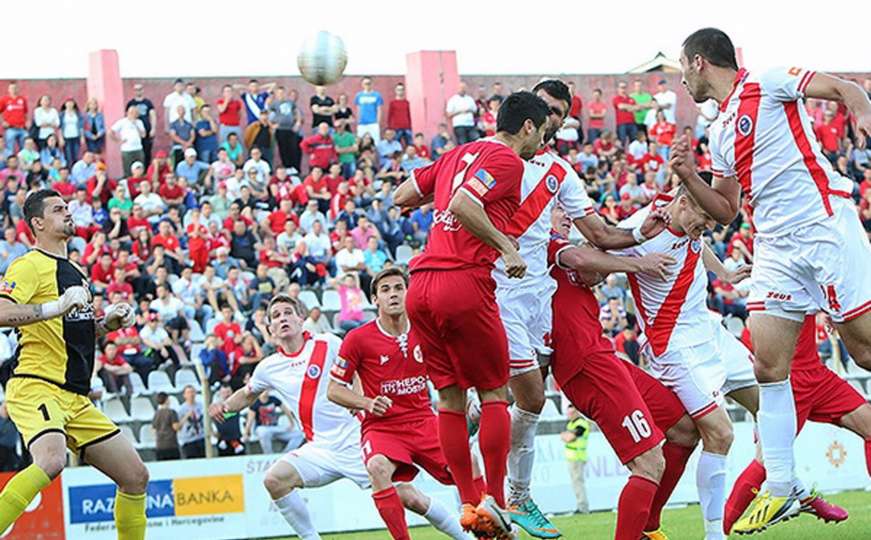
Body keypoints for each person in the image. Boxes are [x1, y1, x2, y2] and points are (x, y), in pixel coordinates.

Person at [671, 27, 871, 532]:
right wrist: (690, 177)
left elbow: (847, 89)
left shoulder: (771, 81)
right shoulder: (718, 133)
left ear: (699, 62)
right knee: (767, 366)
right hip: (776, 246)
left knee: (866, 351)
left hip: (823, 225)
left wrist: (861, 112)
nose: (682, 81)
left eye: (680, 68)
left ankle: (779, 483)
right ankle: (781, 486)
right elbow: (726, 209)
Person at [489, 80, 668, 539]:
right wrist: (638, 260)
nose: (551, 117)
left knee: (525, 397)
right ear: (526, 113)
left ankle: (506, 492)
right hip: (493, 288)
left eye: (559, 112)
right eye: (545, 107)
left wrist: (638, 235)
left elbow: (598, 241)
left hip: (536, 305)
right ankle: (503, 494)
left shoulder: (561, 174)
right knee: (519, 398)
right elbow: (582, 256)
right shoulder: (490, 157)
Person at [392, 91, 549, 538]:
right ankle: (494, 501)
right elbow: (464, 203)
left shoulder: (455, 153)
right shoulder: (508, 162)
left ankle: (467, 503)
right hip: (463, 281)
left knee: (450, 399)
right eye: (541, 133)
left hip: (419, 286)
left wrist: (433, 198)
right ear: (527, 128)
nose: (540, 143)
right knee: (496, 392)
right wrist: (506, 245)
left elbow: (403, 195)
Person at [210, 295, 452, 540]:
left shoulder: (327, 343)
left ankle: (466, 536)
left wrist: (359, 400)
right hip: (320, 449)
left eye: (287, 312)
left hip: (356, 439)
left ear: (301, 318)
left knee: (412, 499)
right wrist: (224, 407)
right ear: (270, 328)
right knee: (274, 480)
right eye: (276, 316)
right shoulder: (268, 367)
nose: (282, 318)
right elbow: (247, 394)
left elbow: (358, 369)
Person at [546, 206, 701, 540]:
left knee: (685, 429)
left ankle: (645, 527)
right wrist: (638, 262)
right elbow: (586, 263)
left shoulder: (567, 254)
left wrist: (641, 235)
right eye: (557, 210)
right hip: (586, 364)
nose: (567, 216)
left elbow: (591, 269)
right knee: (649, 462)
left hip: (604, 358)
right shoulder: (538, 246)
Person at [0, 189, 148, 538]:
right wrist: (54, 307)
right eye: (57, 209)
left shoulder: (76, 272)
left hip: (76, 398)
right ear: (37, 223)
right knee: (51, 460)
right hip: (36, 383)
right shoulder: (28, 265)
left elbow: (73, 330)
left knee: (135, 476)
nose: (68, 213)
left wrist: (107, 323)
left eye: (67, 208)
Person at [327, 268, 470, 539]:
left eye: (398, 288)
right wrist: (366, 403)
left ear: (409, 293)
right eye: (385, 290)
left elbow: (450, 372)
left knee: (468, 462)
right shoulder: (357, 339)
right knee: (377, 468)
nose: (393, 294)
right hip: (383, 428)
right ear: (375, 300)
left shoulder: (427, 331)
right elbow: (333, 390)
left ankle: (493, 529)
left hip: (424, 421)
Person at [724, 314, 870, 533]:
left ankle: (801, 499)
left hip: (818, 375)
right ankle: (718, 530)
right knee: (766, 461)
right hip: (788, 384)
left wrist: (830, 308)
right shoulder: (764, 295)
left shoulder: (801, 284)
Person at [561, 404, 590, 514]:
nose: (570, 415)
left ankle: (583, 507)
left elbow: (569, 438)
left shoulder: (581, 424)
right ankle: (581, 505)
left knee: (578, 483)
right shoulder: (571, 424)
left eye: (572, 413)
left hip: (578, 457)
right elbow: (565, 436)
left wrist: (567, 436)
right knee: (576, 483)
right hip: (572, 457)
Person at [270, 86, 302, 170]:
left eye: (282, 93)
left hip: (291, 129)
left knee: (293, 148)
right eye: (279, 93)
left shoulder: (290, 102)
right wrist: (272, 125)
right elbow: (268, 115)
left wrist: (298, 123)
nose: (281, 95)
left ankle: (294, 168)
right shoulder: (274, 104)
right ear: (276, 94)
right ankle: (287, 167)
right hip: (280, 130)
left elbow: (296, 112)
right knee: (283, 149)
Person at [111, 105, 146, 176]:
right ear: (127, 113)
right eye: (131, 112)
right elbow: (111, 132)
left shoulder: (139, 122)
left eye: (135, 112)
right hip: (127, 150)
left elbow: (143, 135)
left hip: (138, 148)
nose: (133, 114)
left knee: (140, 168)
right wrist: (118, 140)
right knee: (128, 169)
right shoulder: (122, 122)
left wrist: (136, 125)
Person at [126, 84, 157, 164]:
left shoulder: (148, 102)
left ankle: (146, 172)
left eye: (140, 89)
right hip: (134, 133)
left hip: (146, 131)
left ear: (143, 90)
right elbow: (127, 118)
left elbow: (153, 115)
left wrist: (153, 129)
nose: (138, 91)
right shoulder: (131, 103)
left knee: (147, 152)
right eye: (136, 89)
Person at [177, 384, 205, 459]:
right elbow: (178, 426)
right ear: (184, 395)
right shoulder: (181, 409)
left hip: (201, 438)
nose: (191, 394)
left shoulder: (201, 406)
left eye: (193, 392)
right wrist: (186, 416)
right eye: (189, 392)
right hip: (188, 440)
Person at [0, 82, 28, 155]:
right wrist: (2, 122)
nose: (14, 90)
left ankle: (23, 165)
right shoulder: (4, 99)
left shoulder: (22, 99)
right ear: (8, 90)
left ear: (18, 89)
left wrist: (27, 122)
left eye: (15, 88)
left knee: (25, 149)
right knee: (10, 149)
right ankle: (10, 165)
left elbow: (25, 112)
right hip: (10, 129)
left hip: (22, 128)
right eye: (12, 88)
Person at [151, 391, 181, 461]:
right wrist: (184, 419)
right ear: (167, 400)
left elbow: (153, 429)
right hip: (171, 444)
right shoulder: (172, 412)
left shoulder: (156, 414)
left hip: (160, 445)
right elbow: (175, 427)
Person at [355, 76, 384, 143]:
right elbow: (358, 109)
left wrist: (378, 122)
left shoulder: (377, 95)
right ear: (362, 85)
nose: (367, 85)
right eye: (365, 83)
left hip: (373, 123)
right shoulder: (359, 95)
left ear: (372, 84)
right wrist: (358, 121)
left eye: (369, 83)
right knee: (359, 142)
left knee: (376, 142)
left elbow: (379, 109)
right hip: (362, 123)